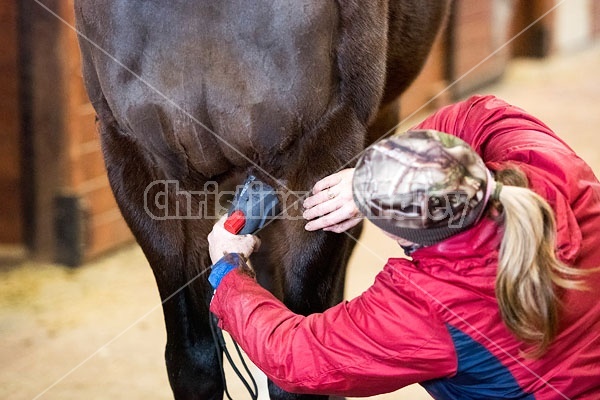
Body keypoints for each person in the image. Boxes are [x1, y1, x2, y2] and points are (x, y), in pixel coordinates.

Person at [207, 95, 600, 399]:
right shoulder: (551, 168)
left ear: (402, 238)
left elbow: (294, 354)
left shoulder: (429, 307)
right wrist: (374, 177)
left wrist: (229, 272)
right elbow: (481, 112)